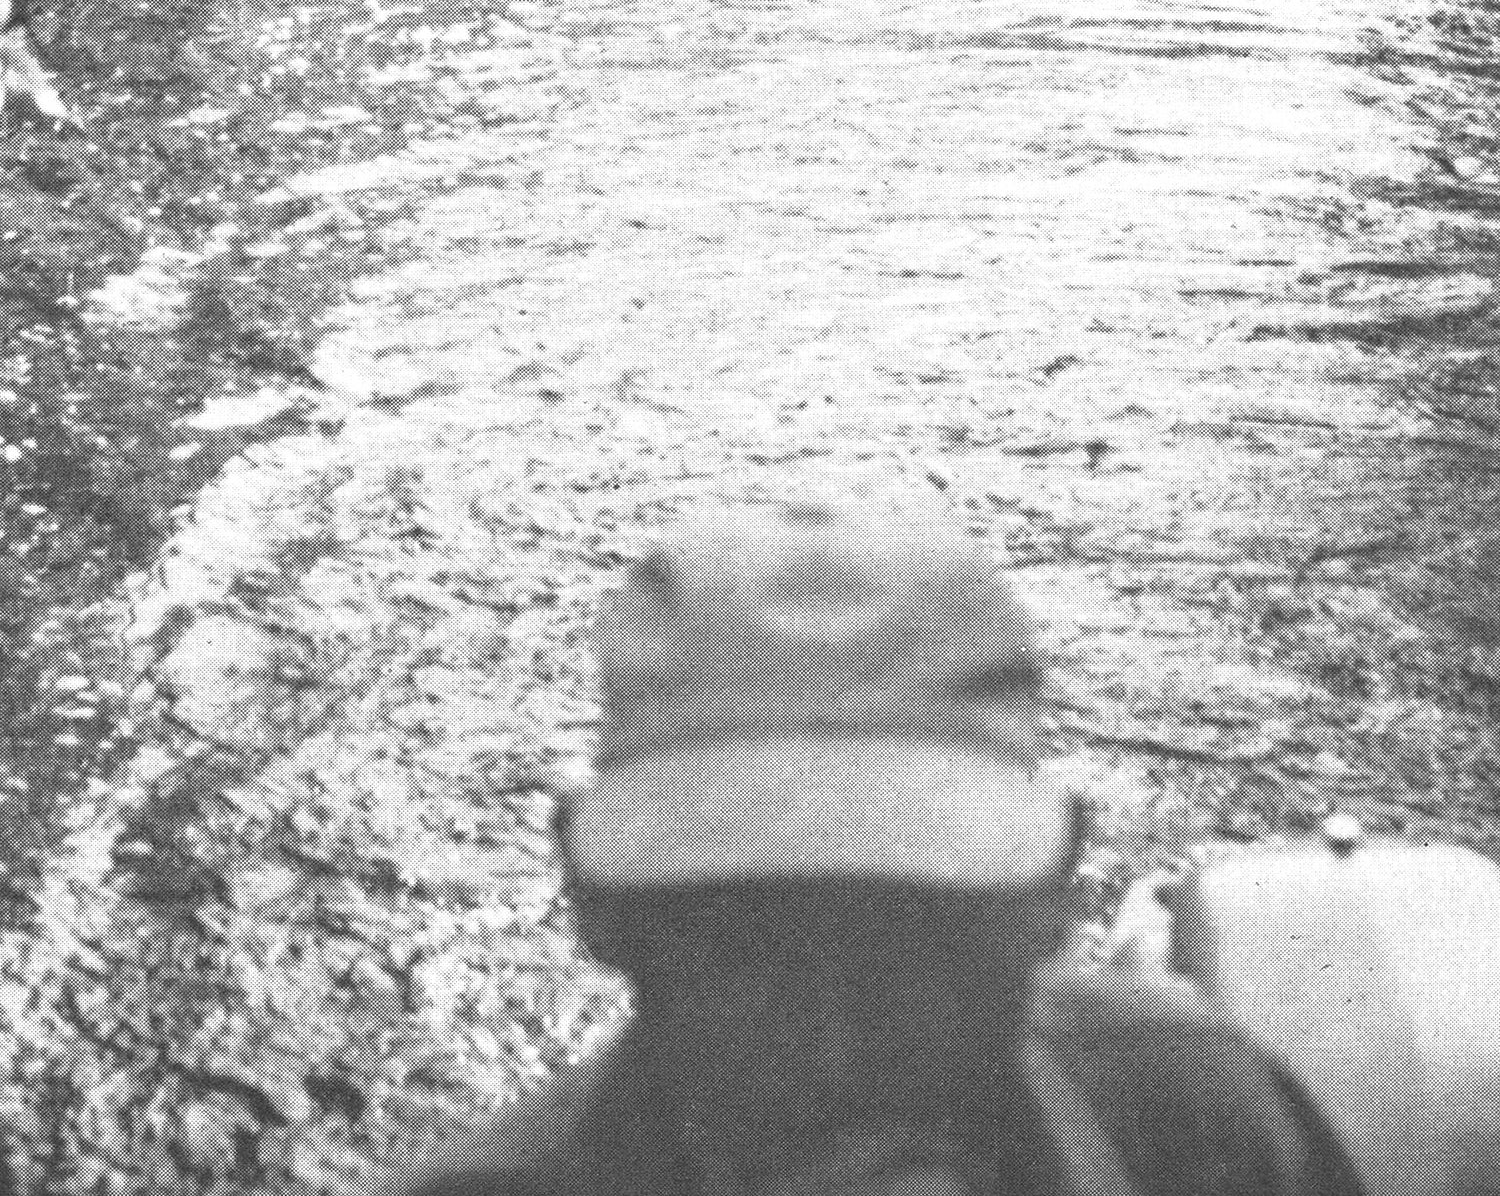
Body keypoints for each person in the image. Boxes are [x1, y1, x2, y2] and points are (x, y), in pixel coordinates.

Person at [397, 497, 1364, 1196]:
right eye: (748, 940)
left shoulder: (1198, 1119)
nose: (833, 1042)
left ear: (1052, 898)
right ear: (596, 905)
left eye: (912, 934)